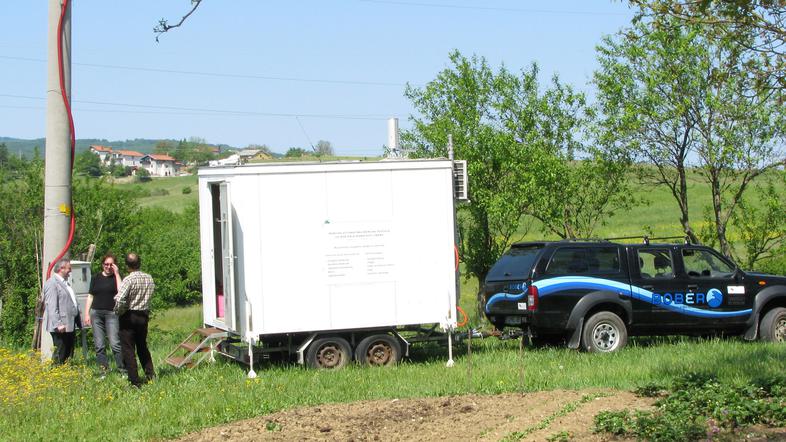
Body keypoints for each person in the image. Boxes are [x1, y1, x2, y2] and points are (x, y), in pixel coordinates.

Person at [114, 253, 156, 387]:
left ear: (127, 265)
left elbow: (119, 299)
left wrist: (119, 311)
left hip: (129, 316)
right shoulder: (149, 278)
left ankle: (135, 381)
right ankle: (151, 375)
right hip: (143, 315)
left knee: (128, 349)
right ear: (139, 263)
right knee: (142, 346)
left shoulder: (128, 280)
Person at [84, 254, 124, 374]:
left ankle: (123, 369)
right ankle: (103, 370)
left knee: (115, 343)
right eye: (106, 264)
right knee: (99, 345)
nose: (108, 266)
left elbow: (121, 291)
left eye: (111, 264)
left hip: (112, 314)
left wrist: (117, 274)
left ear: (115, 265)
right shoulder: (96, 277)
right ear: (102, 265)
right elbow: (90, 296)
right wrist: (86, 314)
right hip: (96, 313)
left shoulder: (117, 277)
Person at [43, 258, 80, 365]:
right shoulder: (52, 283)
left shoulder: (65, 283)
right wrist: (58, 324)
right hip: (60, 326)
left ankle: (65, 371)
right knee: (60, 353)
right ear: (61, 268)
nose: (70, 271)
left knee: (68, 352)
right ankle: (55, 372)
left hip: (69, 324)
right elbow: (51, 306)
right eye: (69, 268)